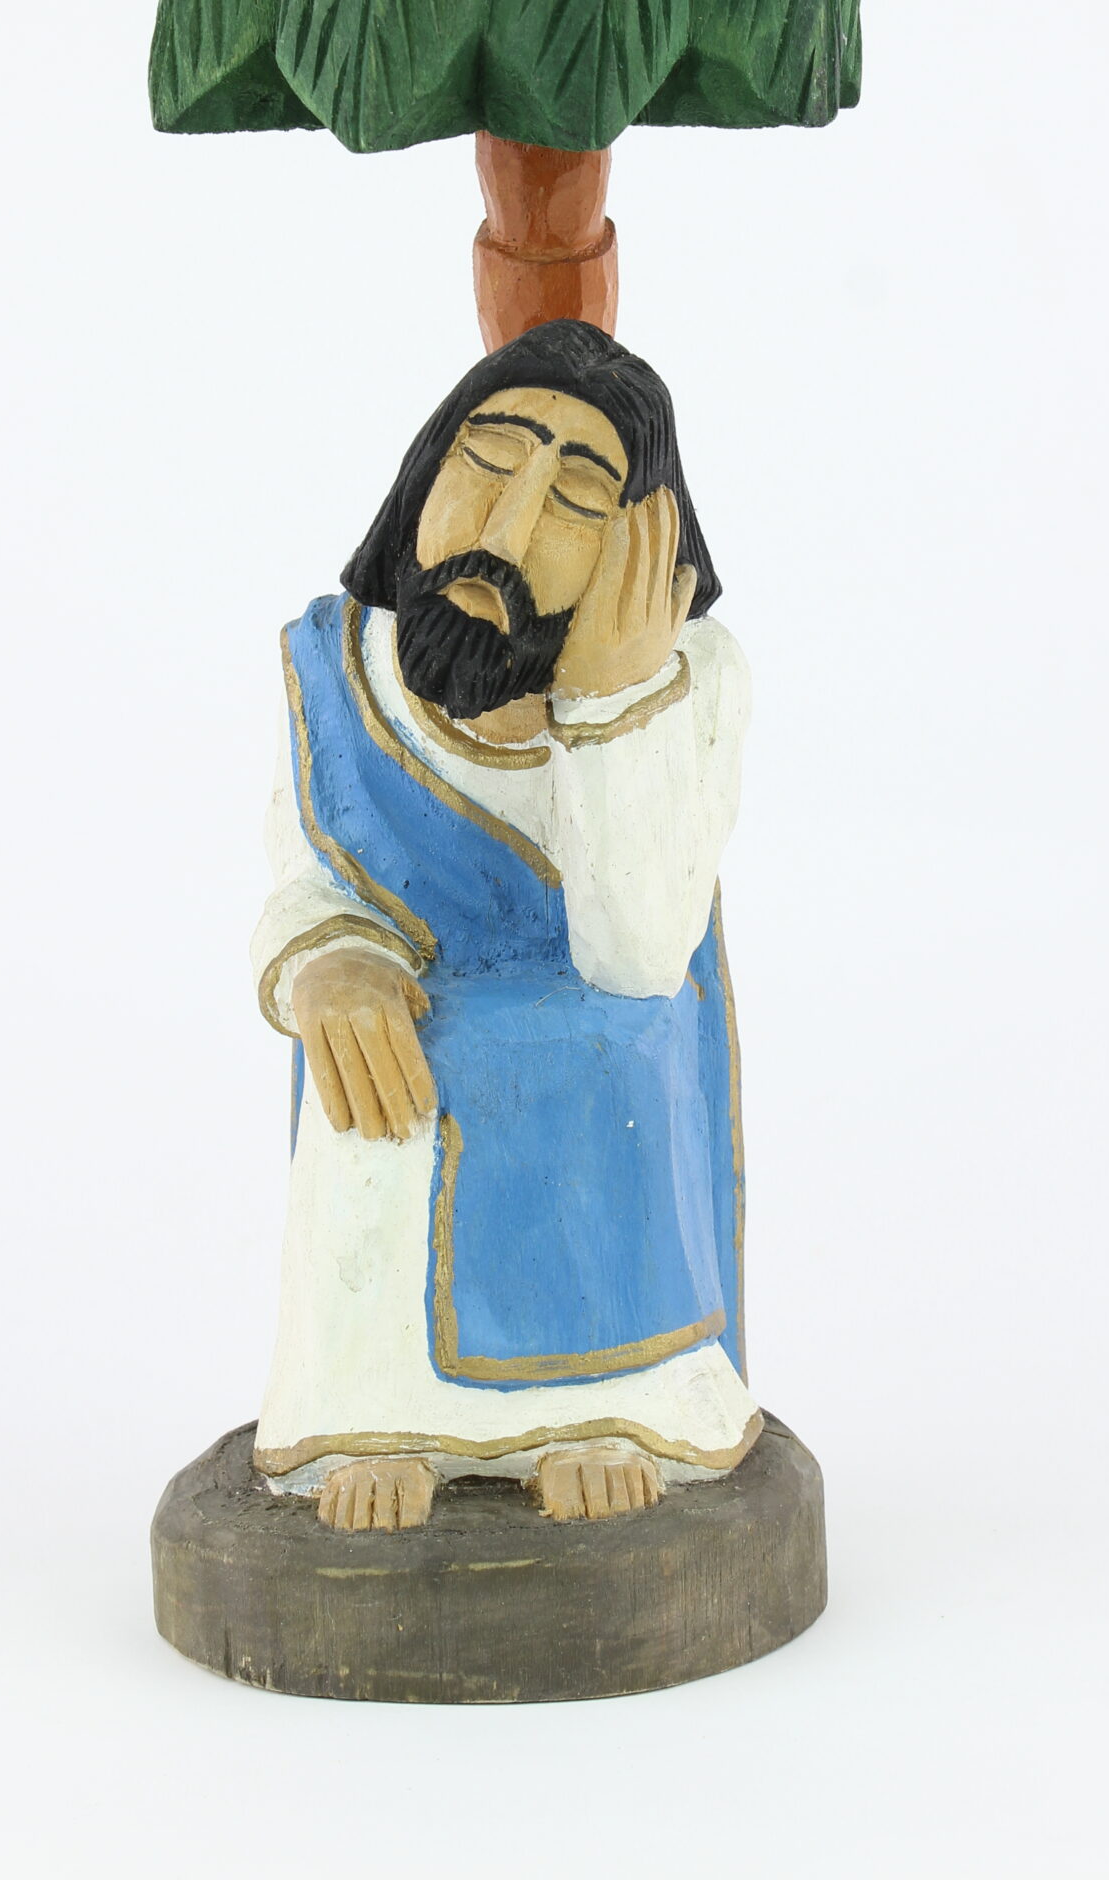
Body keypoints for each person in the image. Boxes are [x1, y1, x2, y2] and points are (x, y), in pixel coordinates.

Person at [250, 320, 758, 1528]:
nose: (509, 523)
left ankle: (606, 1406)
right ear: (426, 468)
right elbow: (307, 881)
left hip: (608, 1057)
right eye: (487, 459)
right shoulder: (335, 668)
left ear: (641, 543)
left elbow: (640, 951)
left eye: (577, 498)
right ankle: (376, 1416)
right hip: (409, 1041)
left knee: (609, 1045)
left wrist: (613, 695)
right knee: (372, 1068)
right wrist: (329, 965)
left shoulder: (693, 679)